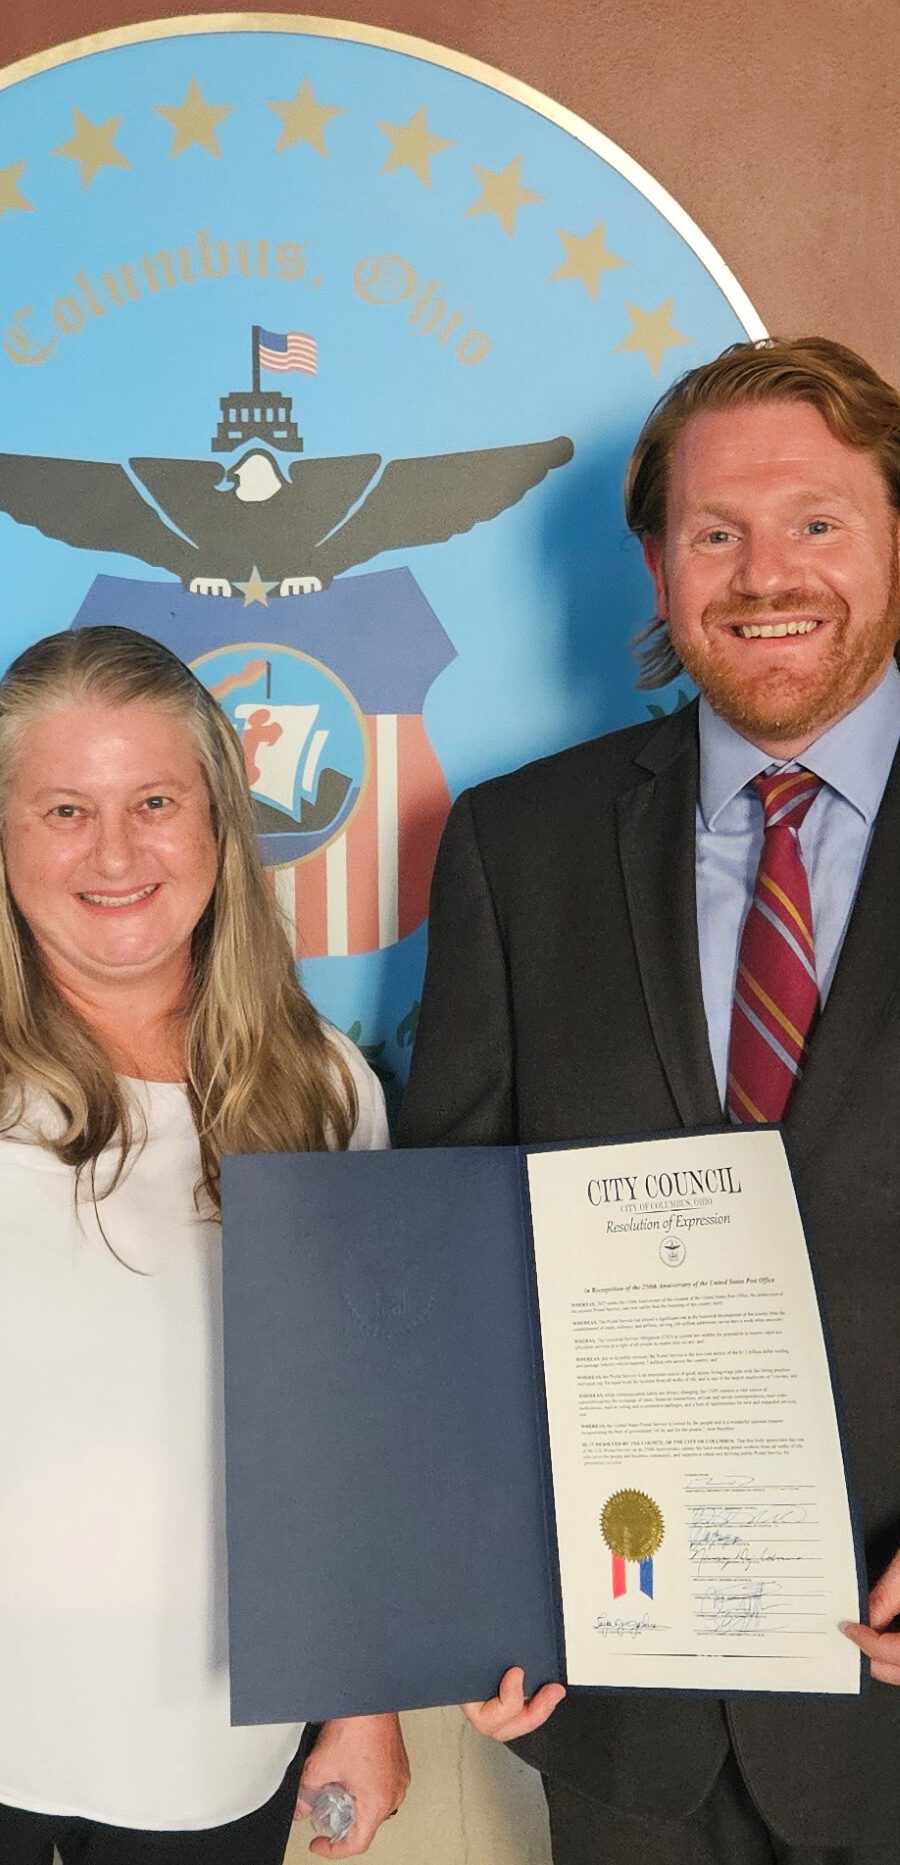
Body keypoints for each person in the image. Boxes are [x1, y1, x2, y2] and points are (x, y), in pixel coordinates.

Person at [398, 336, 900, 1863]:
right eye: (715, 532)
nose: (767, 573)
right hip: (623, 1706)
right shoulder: (515, 846)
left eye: (817, 520)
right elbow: (450, 1249)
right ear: (656, 565)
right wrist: (479, 1586)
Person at [0, 625, 409, 1864]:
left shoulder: (323, 1085)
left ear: (221, 824)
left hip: (213, 1729)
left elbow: (360, 1428)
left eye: (157, 801)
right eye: (65, 807)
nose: (116, 853)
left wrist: (365, 1701)